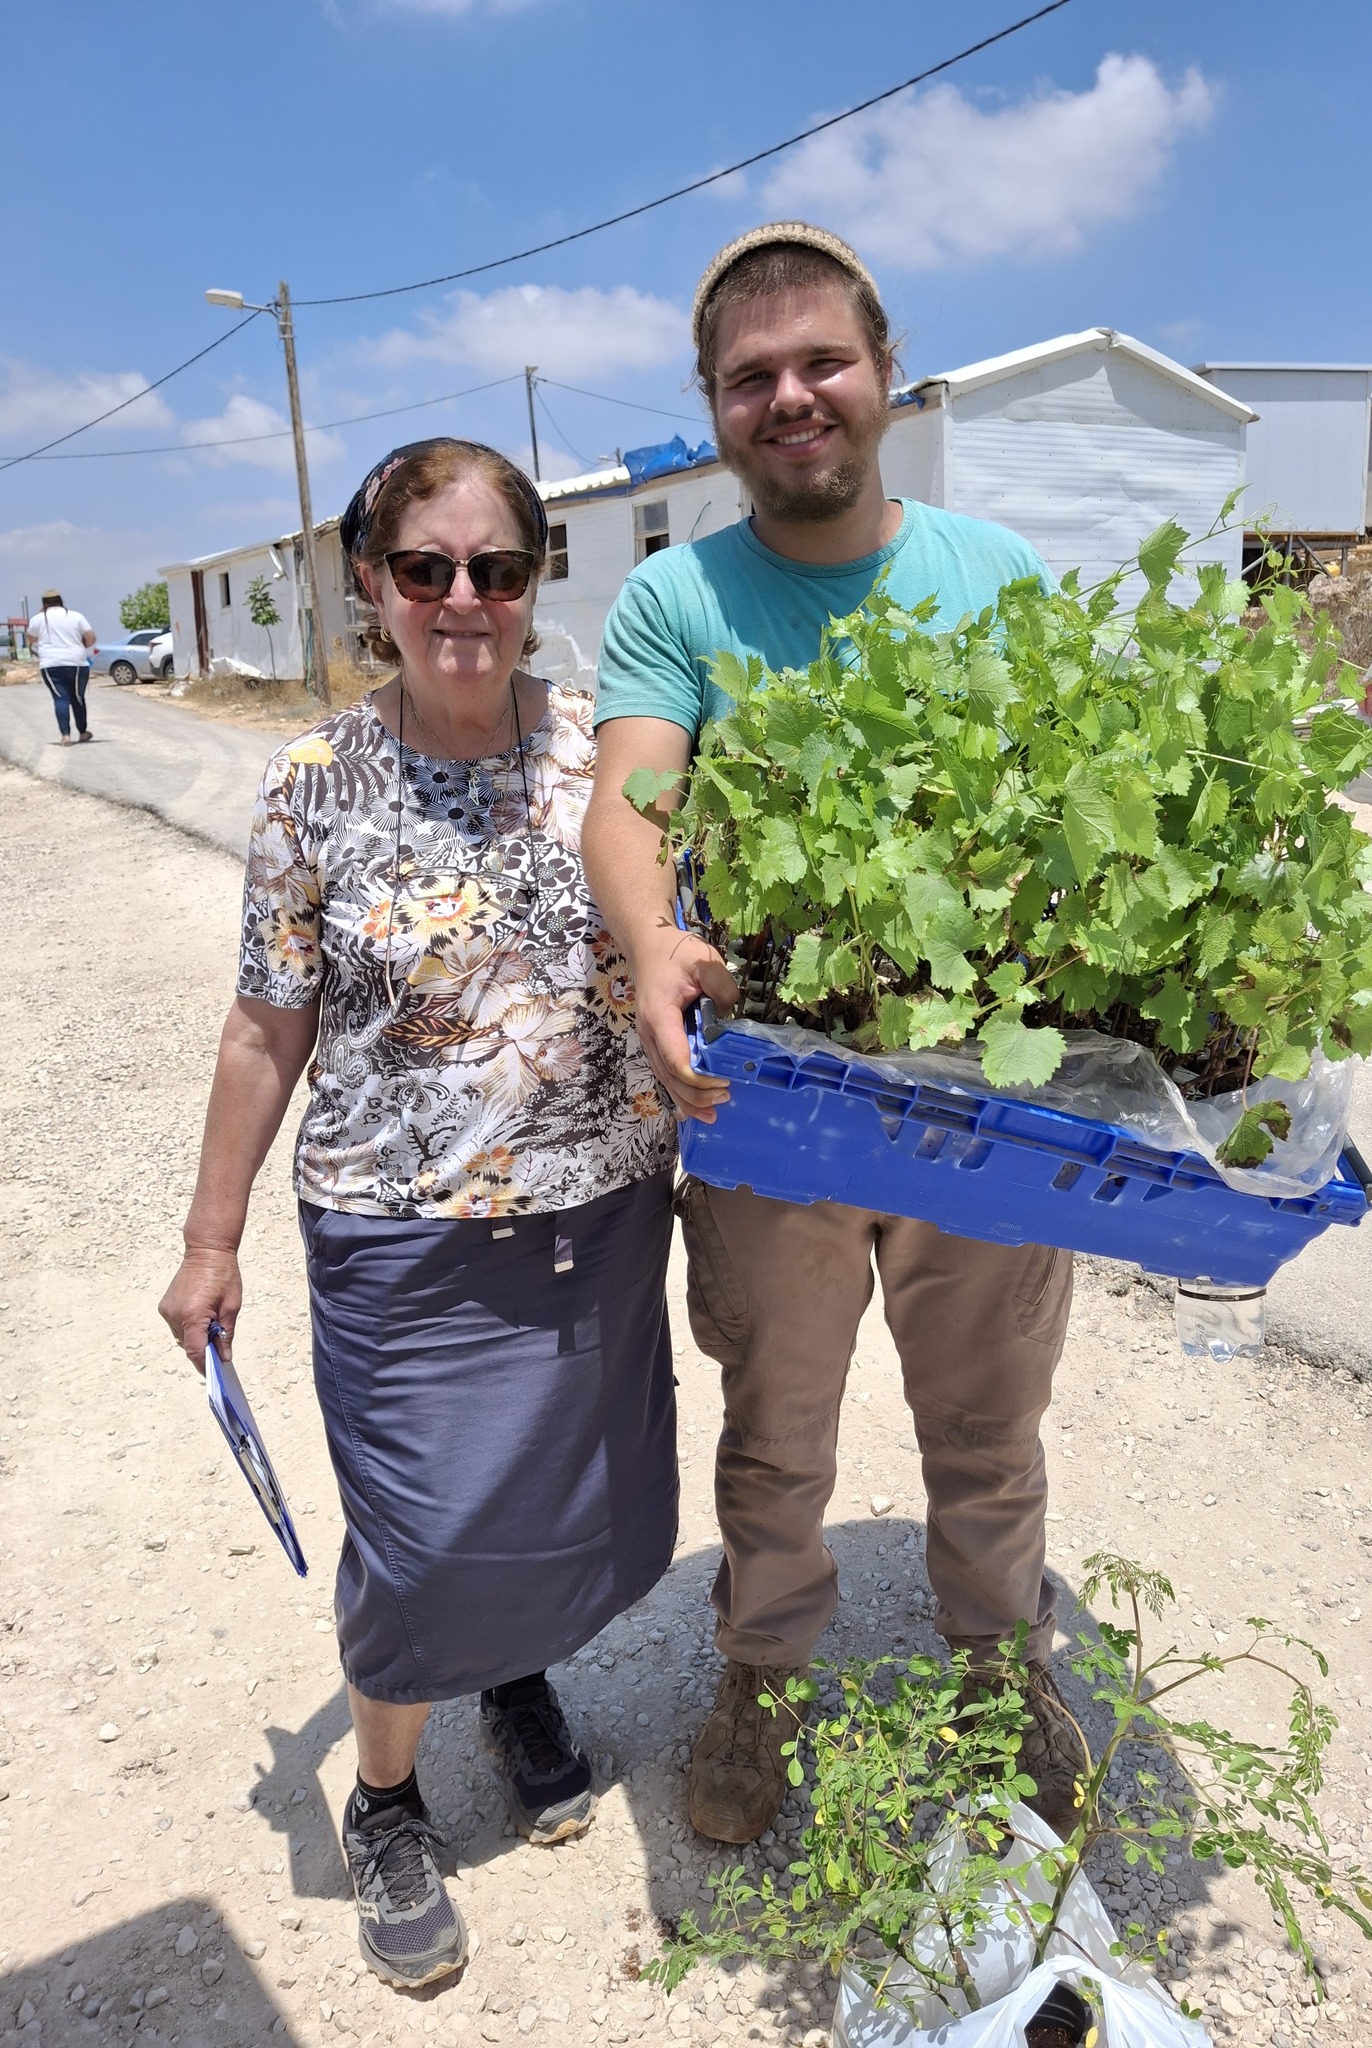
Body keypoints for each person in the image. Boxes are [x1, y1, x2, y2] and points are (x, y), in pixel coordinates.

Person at [159, 437, 678, 1990]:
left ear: (537, 582)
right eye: (426, 568)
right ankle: (385, 1795)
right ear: (371, 586)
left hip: (598, 1219)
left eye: (498, 569)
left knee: (556, 1502)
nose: (465, 599)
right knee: (420, 1532)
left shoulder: (608, 758)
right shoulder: (312, 784)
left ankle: (511, 1679)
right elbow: (266, 1027)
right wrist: (209, 1237)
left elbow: (688, 955)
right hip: (401, 1230)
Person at [582, 223, 1078, 1848]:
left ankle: (1002, 1665)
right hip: (774, 1089)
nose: (790, 397)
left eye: (821, 363)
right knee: (776, 1421)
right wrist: (653, 940)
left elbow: (1076, 818)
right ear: (713, 407)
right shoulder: (676, 593)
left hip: (971, 1097)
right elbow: (629, 796)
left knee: (989, 1408)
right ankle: (764, 1670)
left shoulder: (994, 576)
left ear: (883, 372)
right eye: (751, 378)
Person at [26, 589, 95, 743]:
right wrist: (81, 648)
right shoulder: (76, 616)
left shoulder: (38, 619)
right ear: (61, 601)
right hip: (76, 662)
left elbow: (31, 639)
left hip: (50, 664)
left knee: (60, 698)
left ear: (44, 604)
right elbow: (90, 637)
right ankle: (83, 732)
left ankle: (65, 735)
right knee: (77, 697)